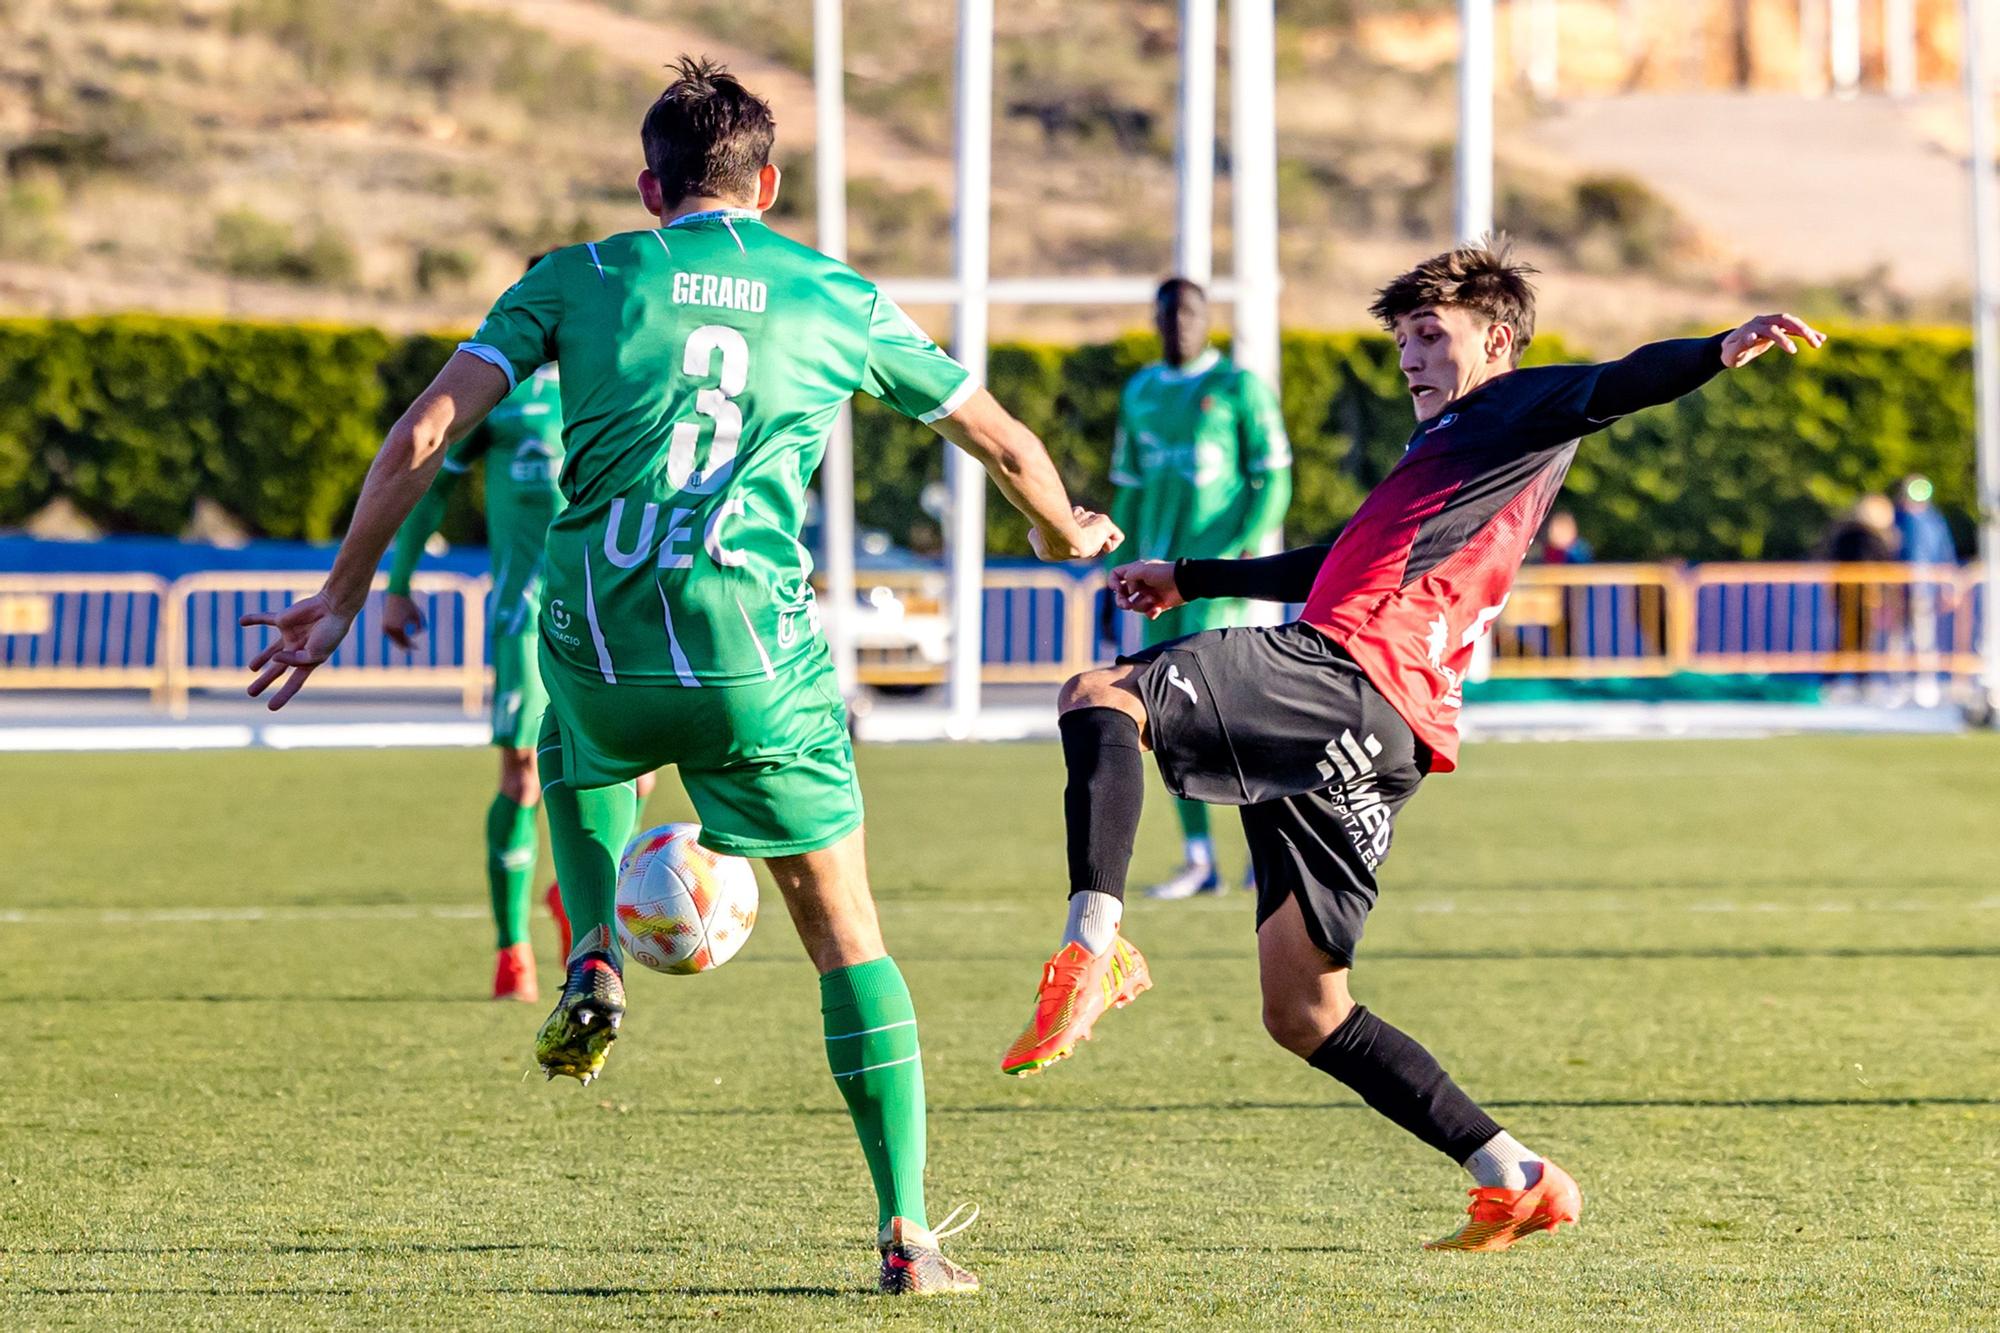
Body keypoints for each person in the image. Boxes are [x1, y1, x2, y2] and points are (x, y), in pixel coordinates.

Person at [241, 56, 1120, 1296]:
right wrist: (1055, 531)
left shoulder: (577, 278)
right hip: (753, 659)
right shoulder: (836, 295)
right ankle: (907, 1239)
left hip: (599, 640)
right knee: (847, 937)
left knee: (574, 735)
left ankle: (592, 940)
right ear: (767, 182)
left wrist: (339, 596)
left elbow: (426, 432)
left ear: (648, 186)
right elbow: (1005, 441)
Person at [1000, 237, 1824, 1252]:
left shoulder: (1511, 407)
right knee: (1303, 1009)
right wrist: (1193, 574)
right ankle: (1514, 1174)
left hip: (1347, 675)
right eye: (1402, 343)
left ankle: (1094, 944)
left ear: (1499, 342)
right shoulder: (1446, 452)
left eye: (1430, 336)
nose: (1411, 359)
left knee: (1099, 693)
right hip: (1385, 730)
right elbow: (1336, 559)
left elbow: (1616, 382)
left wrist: (1716, 347)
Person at [381, 256, 653, 1002]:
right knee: (524, 775)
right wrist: (396, 585)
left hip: (617, 610)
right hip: (525, 614)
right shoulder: (503, 398)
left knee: (638, 774)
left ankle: (577, 895)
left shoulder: (633, 380)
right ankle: (512, 951)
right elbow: (432, 481)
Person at [1105, 277, 1292, 900]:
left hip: (1219, 587)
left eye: (1189, 312)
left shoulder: (1238, 388)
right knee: (1167, 722)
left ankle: (1271, 850)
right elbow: (1129, 486)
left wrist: (1242, 550)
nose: (1177, 324)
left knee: (1241, 720)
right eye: (1167, 314)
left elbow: (1275, 479)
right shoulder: (1140, 390)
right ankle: (1199, 858)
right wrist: (1121, 555)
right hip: (1159, 587)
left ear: (1207, 318)